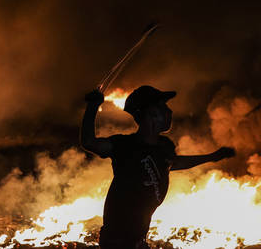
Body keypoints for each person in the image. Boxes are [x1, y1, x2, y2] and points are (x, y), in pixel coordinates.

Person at [80, 85, 235, 249]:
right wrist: (92, 106)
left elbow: (173, 163)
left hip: (137, 241)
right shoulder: (125, 145)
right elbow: (89, 142)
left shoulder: (164, 147)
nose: (170, 112)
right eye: (163, 107)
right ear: (150, 114)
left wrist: (213, 157)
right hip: (117, 241)